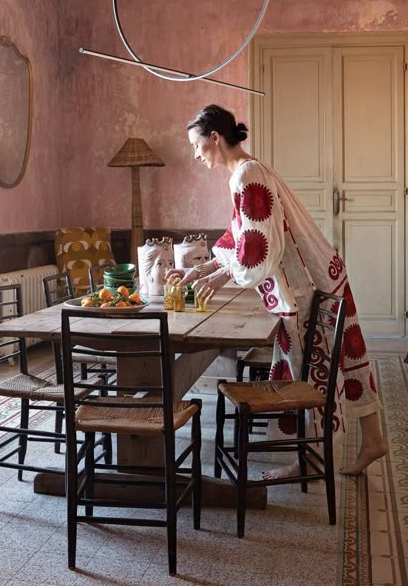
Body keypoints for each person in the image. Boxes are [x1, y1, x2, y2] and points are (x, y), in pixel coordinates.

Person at [166, 104, 388, 478]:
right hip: (321, 275)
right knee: (345, 361)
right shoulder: (249, 171)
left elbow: (258, 250)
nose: (195, 155)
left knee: (305, 372)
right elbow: (241, 239)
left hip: (306, 285)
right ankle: (373, 440)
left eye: (196, 145)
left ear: (215, 138)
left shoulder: (247, 175)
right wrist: (201, 270)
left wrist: (220, 278)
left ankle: (307, 460)